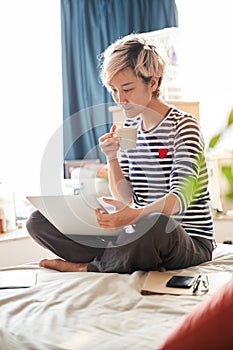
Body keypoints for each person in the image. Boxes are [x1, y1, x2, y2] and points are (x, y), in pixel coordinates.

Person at [26, 33, 215, 273]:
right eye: (114, 90)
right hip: (137, 233)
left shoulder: (184, 126)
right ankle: (116, 258)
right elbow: (125, 197)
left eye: (127, 89)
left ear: (153, 83)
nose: (120, 99)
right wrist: (112, 157)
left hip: (185, 240)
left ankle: (89, 267)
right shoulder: (129, 130)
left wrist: (132, 217)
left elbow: (178, 200)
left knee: (155, 224)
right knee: (39, 220)